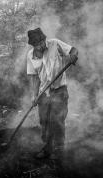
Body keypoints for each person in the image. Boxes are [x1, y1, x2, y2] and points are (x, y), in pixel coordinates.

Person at [27, 28, 78, 159]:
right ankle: (47, 148)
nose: (40, 46)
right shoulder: (30, 56)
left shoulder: (55, 44)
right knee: (44, 121)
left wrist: (73, 55)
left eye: (41, 43)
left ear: (45, 40)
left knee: (57, 120)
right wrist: (34, 96)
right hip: (44, 92)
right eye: (36, 45)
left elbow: (73, 50)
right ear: (33, 45)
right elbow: (33, 78)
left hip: (60, 89)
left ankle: (59, 149)